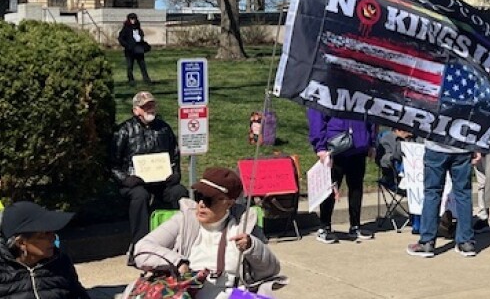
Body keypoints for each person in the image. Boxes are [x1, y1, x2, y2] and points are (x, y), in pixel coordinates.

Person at [132, 167, 285, 298]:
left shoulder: (244, 224)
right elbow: (141, 249)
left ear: (229, 203)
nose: (201, 204)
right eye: (199, 196)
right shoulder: (184, 220)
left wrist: (253, 247)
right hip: (189, 295)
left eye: (209, 200)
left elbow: (271, 270)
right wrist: (178, 262)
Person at [110, 91, 188, 263]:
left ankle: (183, 241)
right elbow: (113, 164)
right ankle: (140, 247)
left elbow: (174, 156)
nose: (150, 109)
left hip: (161, 182)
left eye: (152, 105)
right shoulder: (124, 131)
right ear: (136, 110)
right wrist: (125, 179)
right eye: (145, 106)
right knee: (140, 196)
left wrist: (175, 174)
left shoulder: (164, 129)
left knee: (179, 192)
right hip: (135, 183)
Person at [0, 201, 91, 299]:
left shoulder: (61, 263)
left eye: (52, 232)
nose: (53, 238)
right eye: (44, 234)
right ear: (21, 243)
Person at [307, 109, 376, 243]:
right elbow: (317, 115)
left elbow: (371, 114)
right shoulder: (326, 96)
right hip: (335, 146)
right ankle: (324, 227)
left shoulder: (361, 96)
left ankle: (355, 225)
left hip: (358, 146)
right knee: (330, 188)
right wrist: (320, 146)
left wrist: (371, 142)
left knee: (356, 187)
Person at [406, 139, 480, 258]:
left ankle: (427, 242)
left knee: (432, 193)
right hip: (462, 147)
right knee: (464, 194)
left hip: (436, 146)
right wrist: (476, 147)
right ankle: (466, 242)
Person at [376, 128, 421, 234]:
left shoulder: (417, 138)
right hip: (395, 179)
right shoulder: (387, 138)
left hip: (418, 178)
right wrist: (396, 155)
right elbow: (382, 160)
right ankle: (418, 223)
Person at [118, 12, 153, 85]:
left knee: (142, 66)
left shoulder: (138, 28)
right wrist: (127, 45)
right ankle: (131, 80)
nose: (133, 20)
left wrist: (144, 45)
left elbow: (141, 37)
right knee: (130, 66)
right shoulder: (125, 29)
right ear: (129, 19)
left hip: (138, 49)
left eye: (134, 19)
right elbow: (120, 38)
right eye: (131, 19)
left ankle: (146, 79)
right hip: (129, 51)